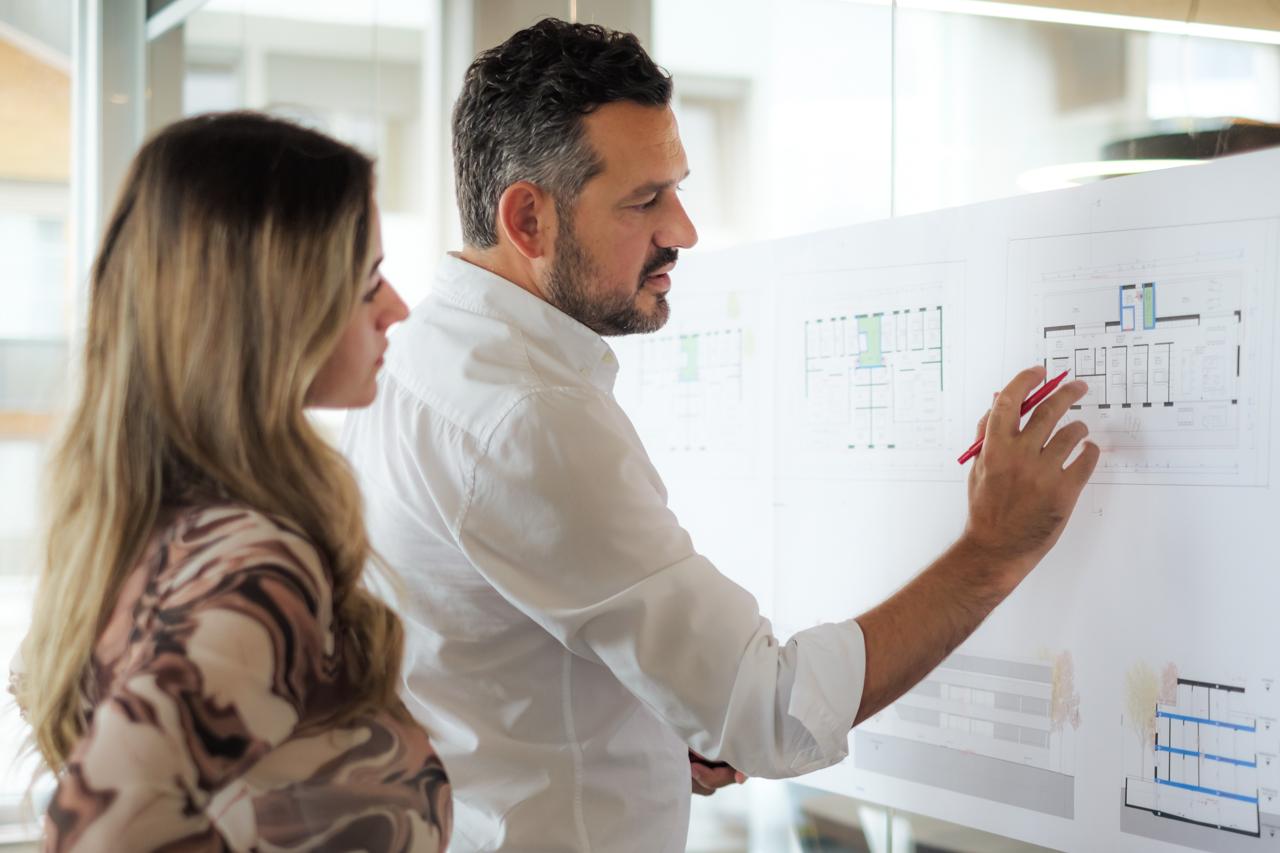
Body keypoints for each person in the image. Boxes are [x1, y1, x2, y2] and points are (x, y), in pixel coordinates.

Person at [340, 18, 1099, 852]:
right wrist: (992, 551)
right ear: (528, 219)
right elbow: (769, 712)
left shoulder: (414, 362)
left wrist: (653, 715)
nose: (685, 231)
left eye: (678, 187)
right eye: (645, 200)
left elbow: (492, 648)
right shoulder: (530, 417)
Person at [12, 112, 451, 851]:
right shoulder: (257, 562)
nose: (396, 309)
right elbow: (100, 832)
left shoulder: (140, 525)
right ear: (276, 308)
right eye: (368, 280)